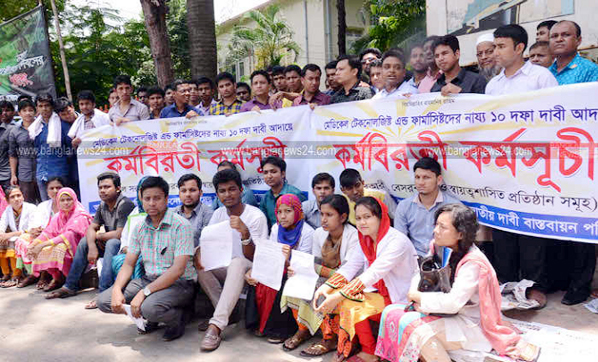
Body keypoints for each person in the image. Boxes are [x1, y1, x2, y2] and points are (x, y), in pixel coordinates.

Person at [376, 204, 540, 362]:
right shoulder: (438, 246)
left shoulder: (473, 263)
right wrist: (414, 294)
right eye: (436, 225)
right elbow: (420, 272)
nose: (435, 231)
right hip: (441, 314)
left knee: (413, 327)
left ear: (460, 234)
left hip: (470, 324)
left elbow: (453, 303)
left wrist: (420, 299)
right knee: (391, 312)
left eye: (442, 227)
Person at [314, 197, 418, 362]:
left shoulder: (396, 241)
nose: (362, 222)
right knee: (341, 296)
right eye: (359, 218)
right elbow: (350, 267)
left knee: (348, 302)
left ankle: (368, 352)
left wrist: (337, 295)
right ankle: (349, 344)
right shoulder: (366, 238)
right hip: (378, 291)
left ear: (380, 217)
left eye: (368, 217)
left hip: (399, 296)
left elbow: (373, 274)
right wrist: (326, 287)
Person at [97, 176, 196, 342]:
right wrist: (116, 289)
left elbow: (178, 270)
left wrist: (144, 292)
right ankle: (152, 314)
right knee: (105, 301)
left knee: (148, 308)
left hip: (179, 283)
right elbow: (129, 263)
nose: (151, 203)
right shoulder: (139, 227)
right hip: (148, 279)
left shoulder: (181, 226)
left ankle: (178, 317)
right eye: (147, 198)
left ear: (166, 199)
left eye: (157, 198)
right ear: (141, 200)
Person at [197, 169, 269, 351]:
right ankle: (229, 313)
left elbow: (257, 257)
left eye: (232, 189)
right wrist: (199, 253)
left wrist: (245, 233)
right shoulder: (218, 215)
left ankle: (216, 326)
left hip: (251, 267)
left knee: (237, 262)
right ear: (217, 194)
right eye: (222, 191)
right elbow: (209, 247)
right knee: (201, 265)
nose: (227, 195)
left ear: (241, 190)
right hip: (226, 267)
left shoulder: (255, 216)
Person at [281, 195, 359, 356]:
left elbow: (345, 274)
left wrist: (313, 269)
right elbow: (316, 263)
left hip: (350, 282)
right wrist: (299, 269)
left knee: (321, 288)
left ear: (343, 217)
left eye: (329, 215)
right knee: (295, 281)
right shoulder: (319, 233)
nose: (323, 219)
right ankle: (303, 329)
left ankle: (329, 337)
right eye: (322, 214)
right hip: (327, 277)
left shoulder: (354, 236)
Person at [45, 172, 135, 307]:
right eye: (100, 187)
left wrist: (99, 237)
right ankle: (70, 286)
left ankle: (104, 292)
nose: (103, 191)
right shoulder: (103, 205)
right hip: (110, 242)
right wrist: (92, 246)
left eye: (107, 187)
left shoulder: (124, 204)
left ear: (118, 188)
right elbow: (91, 228)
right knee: (85, 242)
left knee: (112, 243)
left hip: (126, 247)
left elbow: (119, 234)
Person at [245, 194, 314, 344]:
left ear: (297, 212)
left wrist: (289, 259)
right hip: (278, 267)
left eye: (288, 211)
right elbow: (270, 253)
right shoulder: (276, 228)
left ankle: (280, 330)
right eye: (279, 212)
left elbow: (304, 263)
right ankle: (259, 324)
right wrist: (255, 270)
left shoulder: (307, 233)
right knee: (258, 281)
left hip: (296, 272)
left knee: (279, 286)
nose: (283, 216)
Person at [27, 188, 92, 292]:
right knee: (42, 249)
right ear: (58, 202)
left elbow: (68, 235)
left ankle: (70, 281)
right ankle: (57, 278)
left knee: (59, 248)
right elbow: (48, 232)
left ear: (74, 199)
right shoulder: (58, 216)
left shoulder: (80, 214)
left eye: (69, 199)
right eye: (62, 200)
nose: (66, 203)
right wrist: (34, 244)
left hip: (79, 251)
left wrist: (42, 245)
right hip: (63, 244)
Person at [394, 157, 462, 257]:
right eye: (417, 177)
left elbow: (460, 240)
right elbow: (400, 241)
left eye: (426, 178)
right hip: (413, 260)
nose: (420, 182)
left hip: (445, 260)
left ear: (438, 180)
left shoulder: (454, 207)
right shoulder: (404, 206)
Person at [14, 176, 65, 288]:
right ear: (47, 191)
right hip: (42, 235)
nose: (55, 191)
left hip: (58, 237)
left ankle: (43, 275)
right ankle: (33, 273)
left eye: (58, 187)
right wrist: (34, 230)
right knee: (22, 239)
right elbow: (34, 224)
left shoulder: (68, 203)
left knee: (42, 245)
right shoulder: (43, 206)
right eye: (51, 188)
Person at [486, 24, 558, 95]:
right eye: (495, 47)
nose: (495, 53)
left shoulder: (541, 76)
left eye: (501, 47)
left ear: (519, 48)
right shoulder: (493, 83)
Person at [30, 93, 72, 201]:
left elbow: (71, 148)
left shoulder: (62, 124)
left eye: (47, 105)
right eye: (40, 106)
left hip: (60, 173)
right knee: (46, 207)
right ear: (37, 108)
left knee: (63, 205)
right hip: (42, 174)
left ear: (52, 107)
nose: (44, 109)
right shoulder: (35, 127)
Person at [0, 186, 37, 287]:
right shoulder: (8, 210)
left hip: (30, 236)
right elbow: (2, 224)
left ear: (23, 197)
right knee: (2, 241)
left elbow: (31, 229)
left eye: (18, 195)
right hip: (18, 236)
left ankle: (16, 276)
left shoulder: (31, 208)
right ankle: (6, 274)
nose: (16, 199)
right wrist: (1, 235)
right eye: (12, 197)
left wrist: (10, 234)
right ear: (7, 200)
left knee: (13, 242)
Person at [259, 156, 306, 229]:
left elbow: (303, 221)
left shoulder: (295, 194)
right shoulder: (265, 197)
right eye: (265, 172)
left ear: (283, 174)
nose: (269, 176)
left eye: (273, 172)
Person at [9, 99, 39, 203]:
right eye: (24, 110)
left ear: (35, 112)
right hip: (24, 175)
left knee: (45, 204)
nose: (28, 113)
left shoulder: (42, 127)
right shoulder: (14, 131)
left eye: (30, 110)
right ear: (19, 113)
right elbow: (13, 155)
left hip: (41, 172)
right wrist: (13, 174)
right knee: (27, 205)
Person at [549, 20, 598, 84]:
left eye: (566, 35)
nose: (559, 39)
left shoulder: (590, 70)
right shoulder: (546, 72)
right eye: (554, 36)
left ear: (578, 40)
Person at [175, 174, 213, 248]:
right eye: (183, 191)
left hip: (198, 256)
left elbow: (207, 244)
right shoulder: (173, 214)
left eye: (192, 190)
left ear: (200, 192)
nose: (188, 194)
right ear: (179, 193)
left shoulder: (208, 214)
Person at [0, 101, 15, 191]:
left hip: (7, 175)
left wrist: (13, 174)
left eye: (7, 110)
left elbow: (14, 154)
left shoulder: (12, 130)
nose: (5, 113)